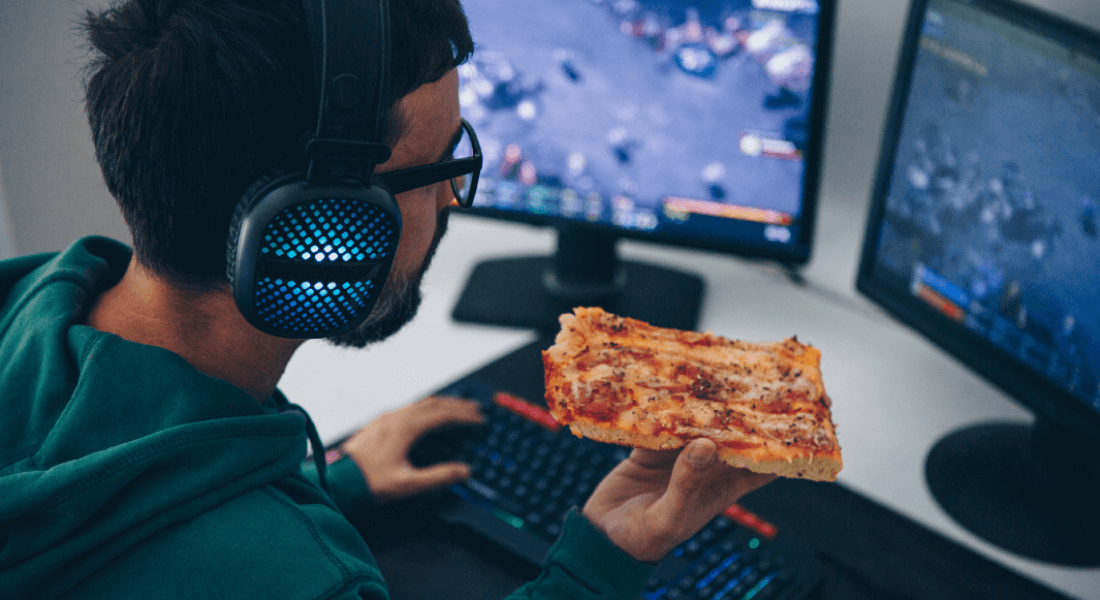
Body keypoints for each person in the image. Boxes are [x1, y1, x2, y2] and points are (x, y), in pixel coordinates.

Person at [0, 0, 774, 598]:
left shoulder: (29, 305)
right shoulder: (305, 579)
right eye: (437, 168)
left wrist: (330, 481)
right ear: (316, 226)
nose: (453, 203)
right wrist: (603, 553)